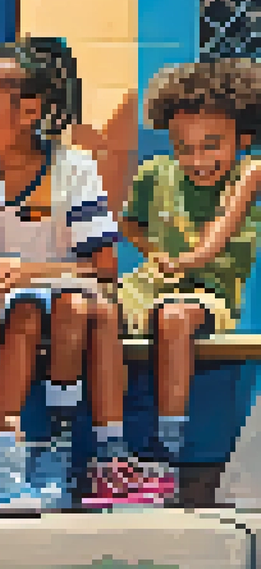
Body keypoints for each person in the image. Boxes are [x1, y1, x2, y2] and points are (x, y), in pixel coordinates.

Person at [0, 37, 124, 512]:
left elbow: (103, 268)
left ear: (29, 111)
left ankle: (40, 452)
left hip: (54, 302)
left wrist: (26, 272)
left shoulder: (74, 168)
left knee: (59, 308)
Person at [116, 57, 261, 506]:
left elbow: (219, 231)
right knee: (93, 315)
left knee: (174, 318)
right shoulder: (154, 174)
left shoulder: (248, 172)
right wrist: (153, 255)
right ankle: (104, 450)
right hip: (148, 284)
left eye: (211, 145)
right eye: (185, 147)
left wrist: (189, 260)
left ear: (243, 139)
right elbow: (130, 224)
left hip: (207, 291)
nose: (197, 160)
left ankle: (166, 454)